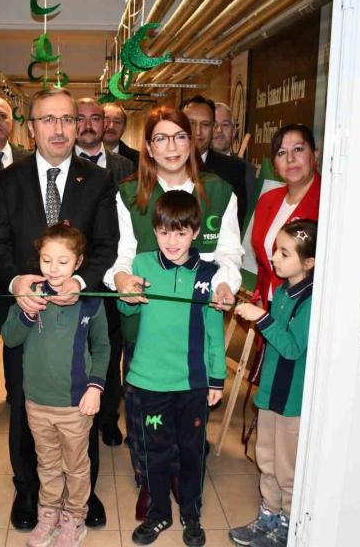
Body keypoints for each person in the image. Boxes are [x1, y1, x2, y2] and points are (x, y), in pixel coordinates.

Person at [0, 88, 119, 531]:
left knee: (82, 406)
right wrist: (16, 282)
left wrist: (80, 283)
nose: (59, 129)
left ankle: (84, 491)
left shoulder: (98, 180)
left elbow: (107, 245)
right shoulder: (7, 180)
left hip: (78, 317)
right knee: (26, 406)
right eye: (48, 119)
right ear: (31, 127)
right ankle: (28, 490)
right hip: (27, 317)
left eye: (67, 119)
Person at [103, 106, 242, 521]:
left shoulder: (218, 191)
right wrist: (121, 279)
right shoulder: (129, 194)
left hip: (195, 326)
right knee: (144, 413)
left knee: (188, 413)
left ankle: (183, 477)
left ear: (192, 140)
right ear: (147, 146)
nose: (172, 146)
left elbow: (229, 253)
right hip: (145, 324)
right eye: (160, 138)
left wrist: (225, 285)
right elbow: (121, 255)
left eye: (180, 136)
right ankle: (150, 480)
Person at [118, 190, 226, 547]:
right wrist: (127, 296)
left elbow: (214, 331)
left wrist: (216, 378)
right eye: (164, 232)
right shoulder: (141, 265)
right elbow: (128, 312)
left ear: (195, 232)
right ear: (155, 231)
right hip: (150, 382)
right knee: (156, 451)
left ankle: (191, 513)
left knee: (193, 451)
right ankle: (159, 512)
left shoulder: (209, 274)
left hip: (192, 383)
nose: (172, 241)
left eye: (181, 233)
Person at [1, 224, 111, 547]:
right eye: (46, 260)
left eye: (63, 261)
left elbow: (103, 347)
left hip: (76, 405)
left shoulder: (90, 301)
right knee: (46, 464)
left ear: (78, 262)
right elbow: (9, 338)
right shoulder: (29, 294)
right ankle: (48, 513)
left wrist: (95, 387)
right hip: (36, 402)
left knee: (76, 467)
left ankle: (75, 517)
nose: (53, 268)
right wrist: (26, 312)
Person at [230, 219, 317, 547]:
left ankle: (287, 526)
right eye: (276, 250)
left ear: (309, 263)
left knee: (287, 468)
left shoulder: (310, 301)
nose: (274, 258)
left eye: (284, 253)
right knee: (265, 458)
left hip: (290, 401)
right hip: (270, 394)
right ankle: (268, 514)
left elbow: (292, 347)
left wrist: (262, 318)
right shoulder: (281, 291)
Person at [75, 97, 135, 448]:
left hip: (112, 274)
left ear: (104, 124)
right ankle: (77, 417)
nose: (88, 125)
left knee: (109, 349)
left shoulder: (124, 166)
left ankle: (109, 418)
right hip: (71, 273)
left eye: (95, 118)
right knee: (74, 349)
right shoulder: (61, 165)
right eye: (80, 118)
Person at [249, 124, 321, 309]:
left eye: (298, 149)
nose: (290, 159)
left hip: (305, 309)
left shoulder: (328, 203)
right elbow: (263, 263)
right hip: (270, 306)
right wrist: (259, 297)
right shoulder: (267, 200)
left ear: (315, 154)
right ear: (274, 165)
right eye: (281, 153)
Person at [181, 95, 255, 228]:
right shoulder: (164, 166)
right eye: (191, 123)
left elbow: (239, 223)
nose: (198, 132)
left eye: (205, 124)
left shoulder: (236, 170)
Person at [102, 102, 140, 168]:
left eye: (117, 122)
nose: (111, 126)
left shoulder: (139, 160)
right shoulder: (83, 157)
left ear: (124, 128)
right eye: (106, 121)